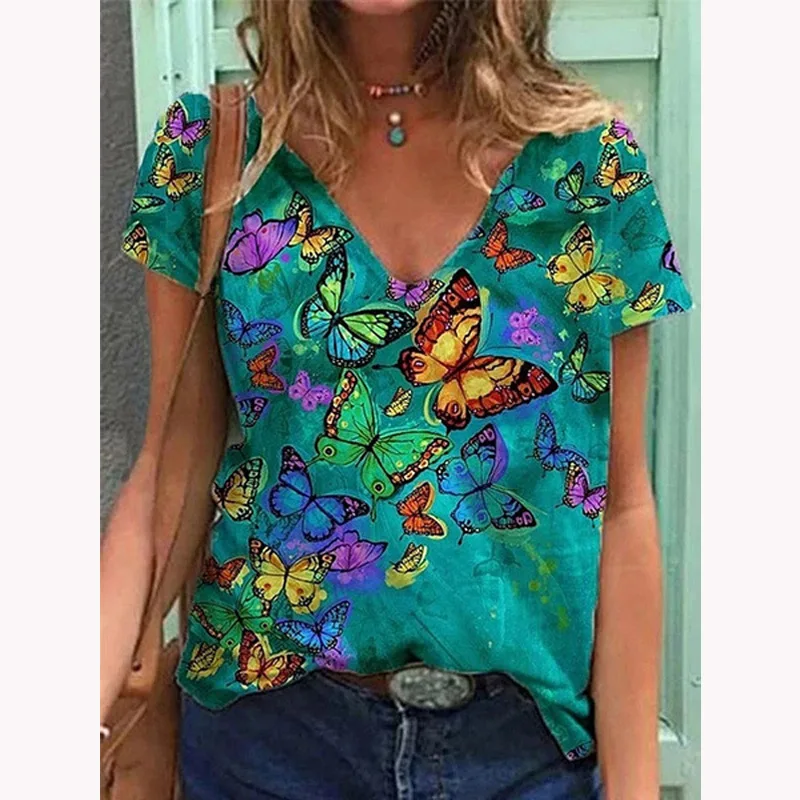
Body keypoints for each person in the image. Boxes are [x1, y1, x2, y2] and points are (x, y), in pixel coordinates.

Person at [102, 1, 694, 798]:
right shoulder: (212, 155)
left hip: (522, 756)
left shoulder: (589, 166)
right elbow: (167, 472)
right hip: (268, 746)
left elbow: (621, 505)